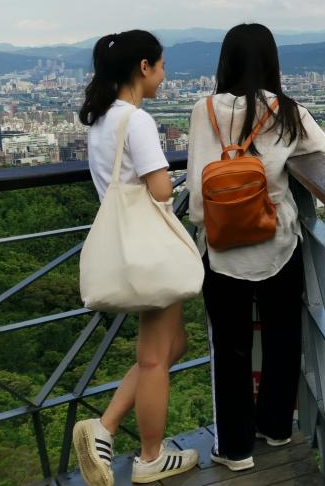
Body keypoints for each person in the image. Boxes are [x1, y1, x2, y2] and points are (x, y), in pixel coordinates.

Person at [187, 23, 325, 471]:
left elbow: (199, 197)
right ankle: (276, 427)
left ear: (225, 61)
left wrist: (211, 224)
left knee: (231, 347)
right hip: (277, 239)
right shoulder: (285, 110)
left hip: (222, 248)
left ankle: (236, 448)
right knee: (283, 337)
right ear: (272, 61)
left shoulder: (204, 111)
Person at [73, 30, 199, 486]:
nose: (164, 76)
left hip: (125, 244)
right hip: (150, 247)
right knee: (153, 356)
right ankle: (149, 456)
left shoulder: (99, 119)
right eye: (161, 66)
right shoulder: (137, 121)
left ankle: (103, 429)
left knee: (171, 346)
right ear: (143, 67)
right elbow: (161, 188)